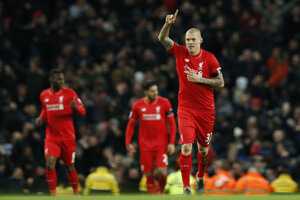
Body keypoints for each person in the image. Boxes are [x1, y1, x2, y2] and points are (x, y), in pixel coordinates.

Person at [158, 10, 225, 195]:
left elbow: (221, 82)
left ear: (200, 41)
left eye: (193, 39)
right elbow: (162, 39)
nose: (190, 42)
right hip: (186, 109)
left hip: (206, 110)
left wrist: (200, 79)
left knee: (203, 151)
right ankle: (186, 186)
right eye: (187, 39)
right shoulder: (179, 52)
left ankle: (200, 177)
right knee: (186, 146)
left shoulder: (209, 58)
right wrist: (168, 25)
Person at [36, 69, 86, 196]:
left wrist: (77, 108)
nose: (62, 81)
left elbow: (83, 111)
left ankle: (76, 193)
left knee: (70, 167)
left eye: (62, 79)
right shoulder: (43, 95)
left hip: (68, 137)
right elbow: (45, 109)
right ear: (52, 80)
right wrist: (41, 117)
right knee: (49, 164)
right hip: (52, 137)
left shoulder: (70, 93)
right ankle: (53, 195)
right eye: (59, 79)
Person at [125, 80, 177, 194]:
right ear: (145, 92)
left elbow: (172, 124)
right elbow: (130, 125)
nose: (155, 93)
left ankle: (161, 191)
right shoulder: (138, 105)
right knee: (148, 174)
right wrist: (128, 143)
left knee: (162, 172)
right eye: (152, 91)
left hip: (161, 144)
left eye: (156, 90)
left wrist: (172, 143)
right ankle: (152, 195)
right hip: (145, 145)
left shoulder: (165, 103)